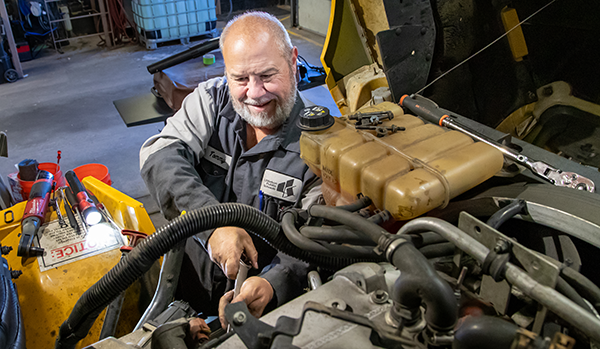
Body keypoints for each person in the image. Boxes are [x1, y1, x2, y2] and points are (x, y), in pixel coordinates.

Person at [139, 11, 318, 327]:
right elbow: (159, 156)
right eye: (241, 78)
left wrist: (272, 283)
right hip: (180, 283)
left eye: (267, 75)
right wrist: (213, 226)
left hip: (258, 309)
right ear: (226, 72)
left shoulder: (320, 146)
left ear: (293, 62)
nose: (255, 93)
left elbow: (316, 240)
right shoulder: (211, 99)